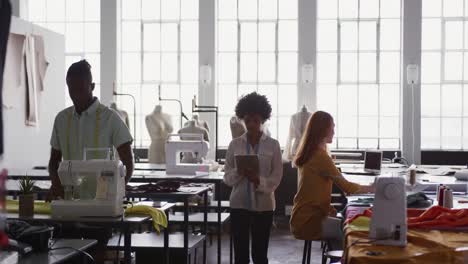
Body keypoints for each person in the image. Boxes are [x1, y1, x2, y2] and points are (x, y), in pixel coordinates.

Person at [47, 60, 134, 264]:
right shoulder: (61, 119)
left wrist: (119, 189)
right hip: (70, 204)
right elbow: (53, 162)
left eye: (80, 88)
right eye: (71, 88)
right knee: (66, 255)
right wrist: (56, 183)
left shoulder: (110, 119)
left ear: (92, 86)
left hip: (101, 208)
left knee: (96, 256)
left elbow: (128, 162)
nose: (75, 93)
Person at [290, 111, 374, 250]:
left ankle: (336, 257)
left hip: (302, 218)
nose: (334, 132)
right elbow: (348, 188)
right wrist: (373, 188)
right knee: (351, 230)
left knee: (348, 224)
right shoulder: (320, 157)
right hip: (309, 221)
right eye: (332, 127)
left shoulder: (311, 153)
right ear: (322, 129)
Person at [224, 92, 283, 264]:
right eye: (247, 120)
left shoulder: (273, 145)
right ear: (242, 118)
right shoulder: (234, 144)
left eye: (256, 120)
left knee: (260, 254)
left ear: (263, 120)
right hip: (239, 203)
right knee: (240, 255)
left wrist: (259, 180)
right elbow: (227, 177)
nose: (251, 125)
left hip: (264, 205)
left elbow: (277, 176)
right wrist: (239, 173)